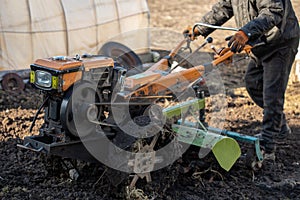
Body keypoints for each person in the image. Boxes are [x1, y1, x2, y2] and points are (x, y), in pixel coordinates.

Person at [184, 0, 299, 157]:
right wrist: (200, 28)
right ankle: (279, 126)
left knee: (272, 93)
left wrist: (246, 32)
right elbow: (224, 7)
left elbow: (273, 11)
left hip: (280, 43)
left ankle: (267, 145)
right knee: (253, 84)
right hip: (260, 42)